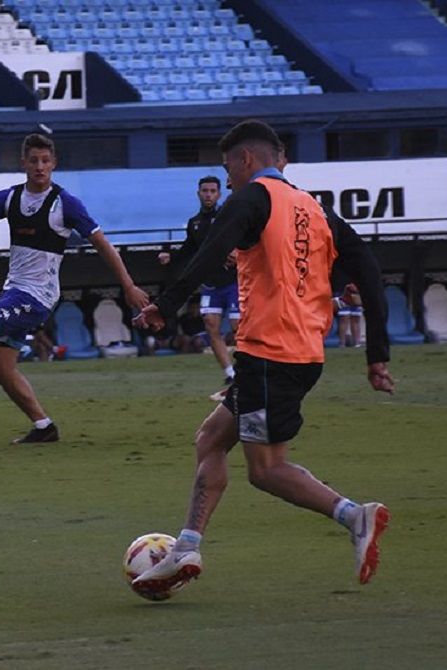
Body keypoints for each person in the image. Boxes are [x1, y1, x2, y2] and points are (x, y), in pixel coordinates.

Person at [130, 120, 394, 597]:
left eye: (228, 167)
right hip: (294, 353)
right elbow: (369, 273)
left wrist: (164, 308)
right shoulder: (316, 209)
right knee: (210, 438)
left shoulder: (251, 198)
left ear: (246, 161)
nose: (226, 178)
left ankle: (356, 517)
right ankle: (186, 547)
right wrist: (377, 354)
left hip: (272, 355)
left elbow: (211, 254)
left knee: (266, 469)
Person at [0, 133, 150, 443]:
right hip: (14, 292)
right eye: (33, 160)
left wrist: (128, 285)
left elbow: (103, 245)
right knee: (1, 367)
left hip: (38, 297)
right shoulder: (8, 198)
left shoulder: (66, 203)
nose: (40, 166)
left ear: (54, 164)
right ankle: (45, 427)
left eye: (46, 161)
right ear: (24, 163)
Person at [158, 176, 237, 396]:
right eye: (205, 190)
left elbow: (242, 236)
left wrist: (238, 251)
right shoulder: (194, 223)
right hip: (211, 283)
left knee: (238, 327)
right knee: (211, 326)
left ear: (219, 194)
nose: (209, 194)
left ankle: (249, 371)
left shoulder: (227, 215)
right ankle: (231, 374)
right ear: (198, 193)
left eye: (213, 191)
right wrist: (170, 257)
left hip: (233, 281)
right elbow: (188, 249)